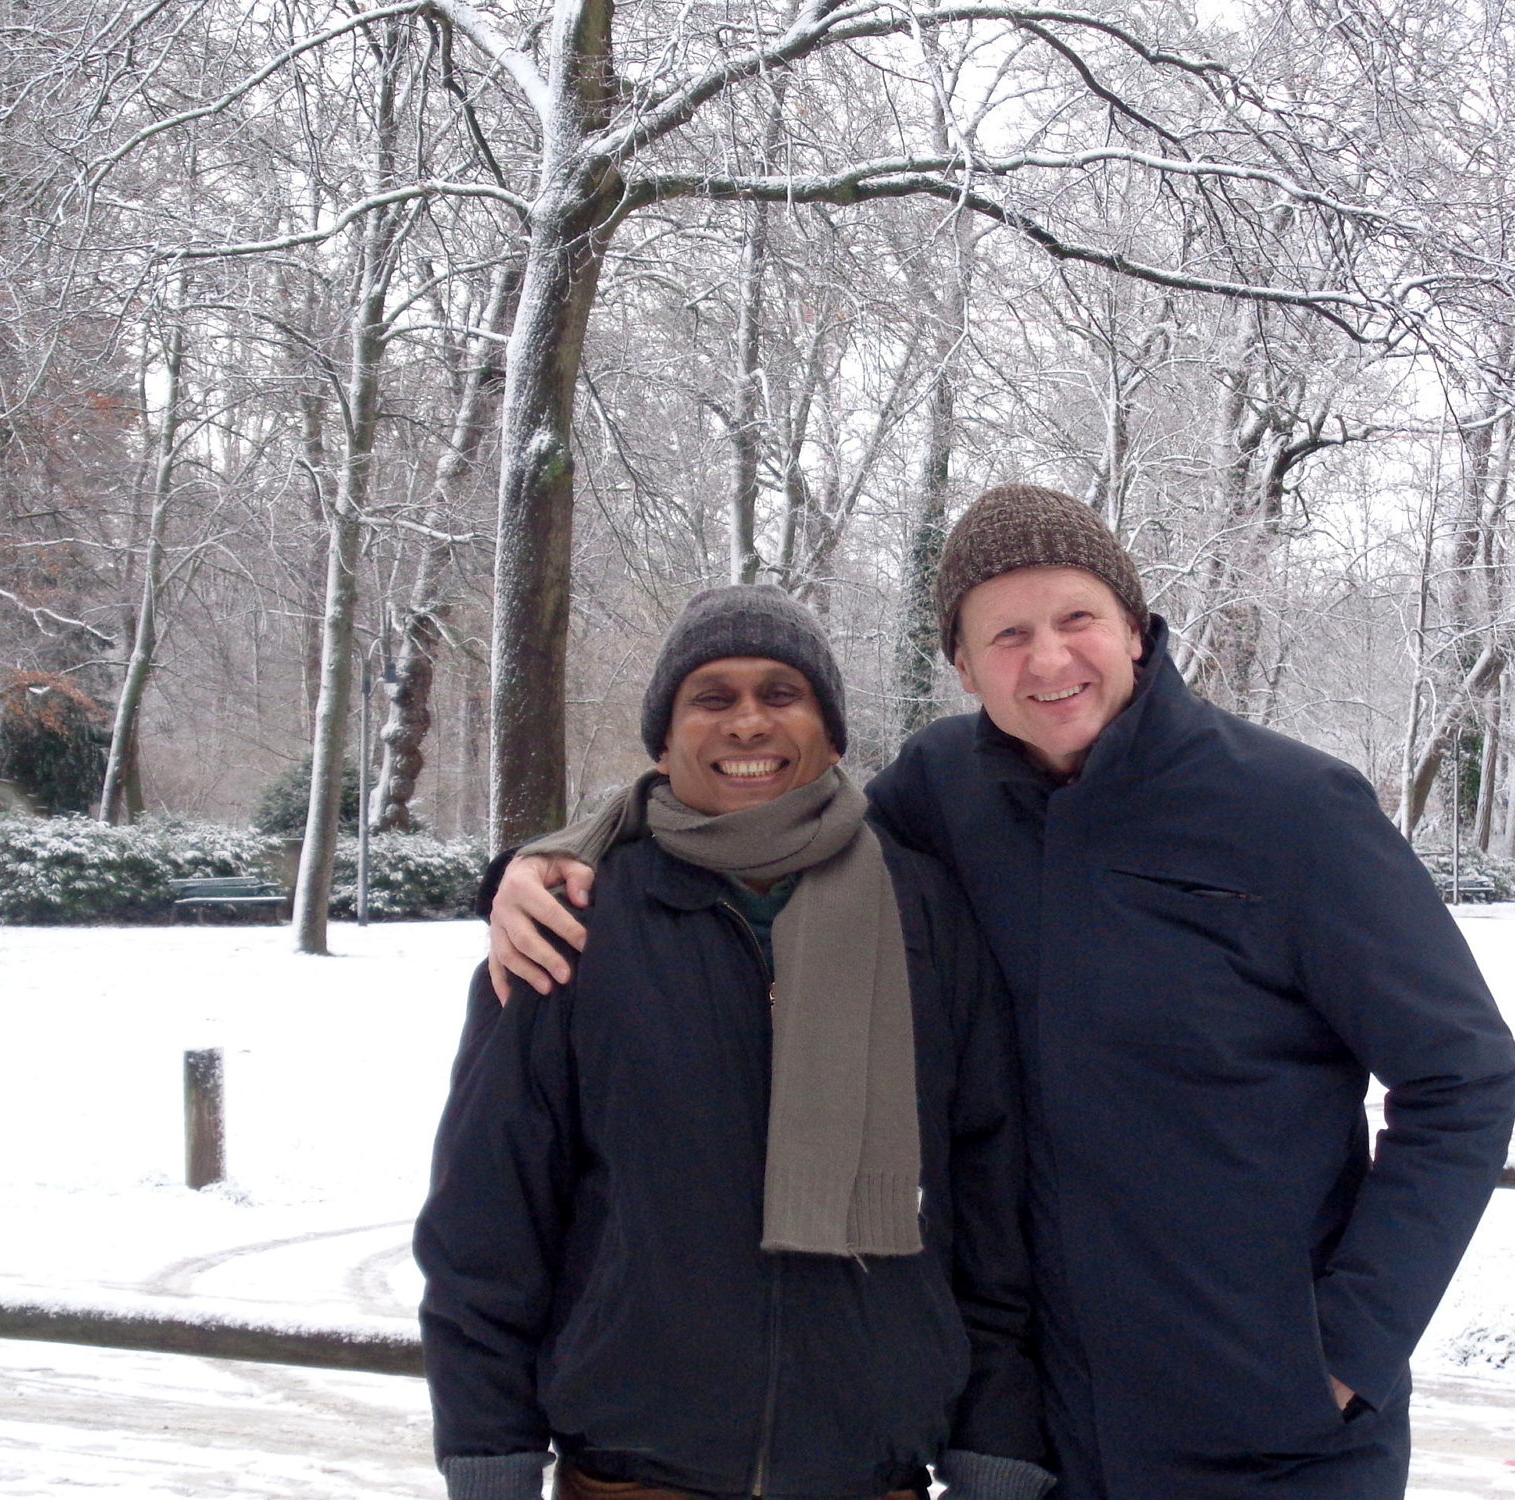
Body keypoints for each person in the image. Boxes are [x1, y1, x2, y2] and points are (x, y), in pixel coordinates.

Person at [487, 485, 1515, 1499]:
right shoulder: (943, 793)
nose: (1049, 659)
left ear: (1132, 625)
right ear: (962, 664)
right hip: (1052, 1437)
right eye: (1006, 634)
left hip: (1273, 1436)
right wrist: (560, 853)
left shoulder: (1290, 811)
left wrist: (1343, 1351)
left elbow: (1461, 1079)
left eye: (1077, 618)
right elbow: (768, 823)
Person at [415, 585, 1051, 1500]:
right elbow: (488, 1210)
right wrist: (488, 1451)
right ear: (664, 739)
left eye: (781, 694)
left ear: (830, 732)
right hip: (633, 1475)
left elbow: (993, 1199)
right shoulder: (576, 921)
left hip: (869, 1473)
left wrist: (999, 1443)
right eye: (711, 698)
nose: (748, 722)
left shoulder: (926, 913)